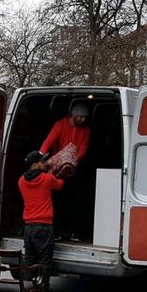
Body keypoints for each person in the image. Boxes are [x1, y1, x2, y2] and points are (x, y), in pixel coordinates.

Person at [38, 102, 91, 241]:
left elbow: (83, 149)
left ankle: (75, 231)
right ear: (73, 115)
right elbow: (49, 140)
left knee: (75, 200)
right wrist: (40, 155)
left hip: (74, 169)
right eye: (81, 117)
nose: (83, 120)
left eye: (84, 117)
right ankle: (60, 231)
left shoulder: (85, 130)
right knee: (58, 200)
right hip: (58, 170)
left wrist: (72, 162)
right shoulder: (60, 125)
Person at [18, 150, 64, 292]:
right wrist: (55, 172)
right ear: (34, 165)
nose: (46, 163)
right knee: (45, 261)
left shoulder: (21, 181)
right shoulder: (47, 179)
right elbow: (60, 184)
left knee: (30, 260)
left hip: (29, 226)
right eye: (42, 161)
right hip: (44, 226)